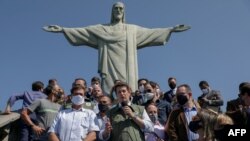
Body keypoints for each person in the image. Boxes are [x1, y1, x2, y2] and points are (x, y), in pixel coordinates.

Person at [43, 2, 191, 95]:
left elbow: (151, 32)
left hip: (127, 64)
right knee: (109, 89)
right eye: (116, 8)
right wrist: (63, 29)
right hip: (109, 63)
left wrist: (170, 29)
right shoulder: (102, 29)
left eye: (121, 8)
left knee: (127, 87)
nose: (118, 10)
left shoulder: (131, 29)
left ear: (124, 12)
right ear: (112, 12)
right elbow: (84, 31)